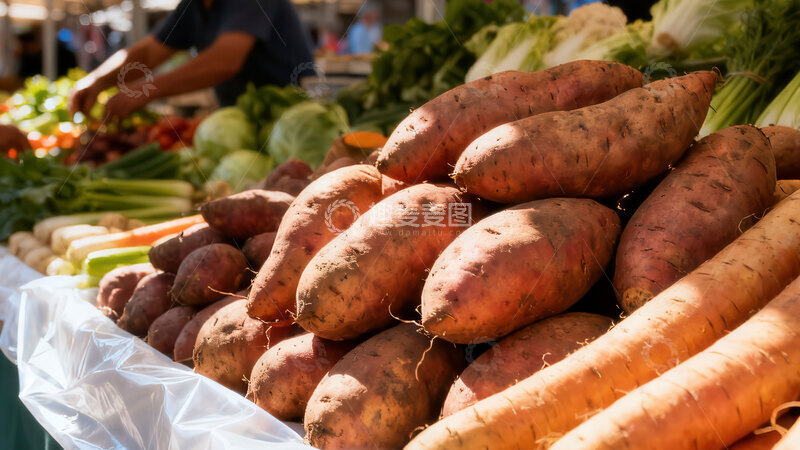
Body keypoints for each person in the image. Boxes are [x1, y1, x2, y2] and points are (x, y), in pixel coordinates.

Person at [69, 0, 314, 120]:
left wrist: (147, 89)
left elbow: (226, 59)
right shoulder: (194, 6)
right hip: (244, 123)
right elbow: (149, 53)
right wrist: (96, 81)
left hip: (292, 121)